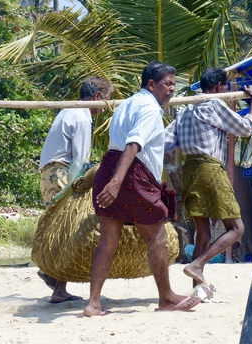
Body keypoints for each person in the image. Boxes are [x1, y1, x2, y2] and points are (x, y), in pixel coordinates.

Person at [83, 61, 202, 316]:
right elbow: (133, 145)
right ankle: (167, 298)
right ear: (151, 84)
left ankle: (93, 303)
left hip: (110, 167)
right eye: (167, 83)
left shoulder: (126, 103)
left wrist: (113, 180)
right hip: (130, 174)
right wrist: (116, 183)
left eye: (173, 83)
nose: (171, 89)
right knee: (156, 236)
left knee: (107, 241)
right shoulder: (149, 108)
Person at [164, 67, 252, 286]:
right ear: (219, 87)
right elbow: (245, 128)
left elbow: (166, 142)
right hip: (210, 170)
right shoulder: (214, 103)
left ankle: (198, 288)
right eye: (225, 86)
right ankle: (197, 265)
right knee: (237, 228)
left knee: (203, 234)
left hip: (190, 172)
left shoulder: (185, 110)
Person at [37, 76, 113, 303]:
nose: (106, 106)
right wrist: (77, 188)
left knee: (62, 228)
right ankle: (56, 281)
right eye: (106, 100)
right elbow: (79, 158)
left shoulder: (69, 110)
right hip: (61, 173)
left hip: (50, 173)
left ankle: (57, 281)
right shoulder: (81, 117)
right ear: (98, 97)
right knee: (68, 228)